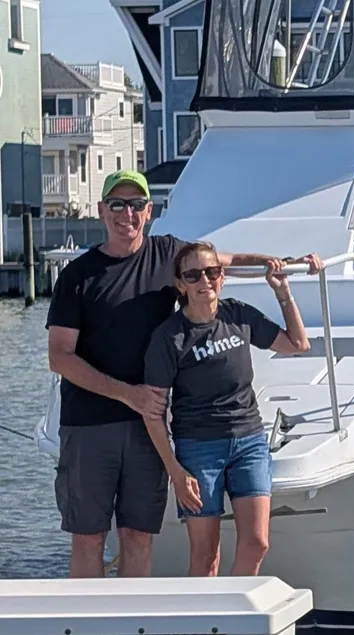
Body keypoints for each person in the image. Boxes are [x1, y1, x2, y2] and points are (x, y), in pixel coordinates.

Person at [46, 168, 292, 579]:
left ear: (150, 211)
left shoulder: (169, 255)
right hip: (89, 427)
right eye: (118, 204)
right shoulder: (77, 276)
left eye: (137, 204)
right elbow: (60, 357)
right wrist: (129, 394)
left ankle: (131, 624)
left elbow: (223, 262)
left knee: (138, 538)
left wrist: (277, 265)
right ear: (102, 210)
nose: (128, 213)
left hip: (149, 430)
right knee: (88, 540)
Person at [141, 240, 321, 577]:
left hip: (249, 442)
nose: (204, 281)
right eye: (193, 275)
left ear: (222, 277)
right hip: (199, 450)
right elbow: (153, 413)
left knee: (257, 544)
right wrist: (176, 473)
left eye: (211, 272)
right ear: (181, 284)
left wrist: (283, 292)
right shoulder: (170, 337)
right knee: (206, 556)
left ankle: (231, 619)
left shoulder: (237, 313)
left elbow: (298, 344)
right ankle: (201, 626)